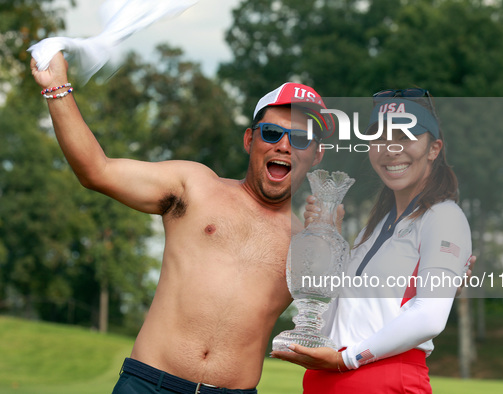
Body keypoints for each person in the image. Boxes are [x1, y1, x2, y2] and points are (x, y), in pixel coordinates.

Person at [30, 51, 331, 394]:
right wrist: (57, 87)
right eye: (272, 133)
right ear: (250, 140)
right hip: (149, 384)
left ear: (317, 155)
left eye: (302, 139)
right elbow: (96, 171)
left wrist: (327, 234)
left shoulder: (310, 242)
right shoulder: (195, 185)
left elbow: (349, 317)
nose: (284, 146)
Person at [272, 89, 473, 393]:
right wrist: (328, 242)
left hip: (384, 380)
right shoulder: (373, 228)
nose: (391, 149)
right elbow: (335, 321)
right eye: (380, 137)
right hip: (326, 379)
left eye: (405, 136)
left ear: (434, 149)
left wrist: (348, 359)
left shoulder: (444, 217)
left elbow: (430, 318)